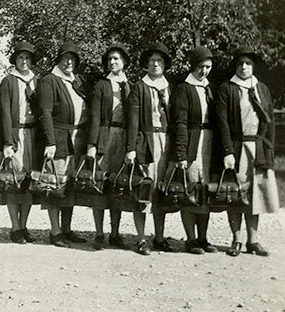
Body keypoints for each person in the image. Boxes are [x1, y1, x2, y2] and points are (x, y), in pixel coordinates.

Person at [216, 46, 279, 257]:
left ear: (253, 66)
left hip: (257, 148)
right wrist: (227, 151)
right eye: (240, 63)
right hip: (237, 147)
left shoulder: (262, 89)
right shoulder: (228, 89)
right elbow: (222, 123)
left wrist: (269, 148)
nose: (244, 67)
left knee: (256, 195)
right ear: (235, 65)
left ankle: (253, 240)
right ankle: (236, 239)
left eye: (248, 63)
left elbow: (269, 122)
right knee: (236, 194)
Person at [36, 42, 89, 248]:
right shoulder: (50, 81)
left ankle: (67, 229)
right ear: (58, 59)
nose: (69, 62)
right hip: (58, 138)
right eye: (65, 58)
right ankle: (55, 230)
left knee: (70, 186)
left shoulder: (77, 81)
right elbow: (45, 113)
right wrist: (50, 141)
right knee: (55, 184)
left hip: (77, 138)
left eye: (73, 58)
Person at [125, 42, 175, 255]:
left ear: (165, 65)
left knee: (161, 189)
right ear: (146, 64)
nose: (156, 64)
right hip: (146, 140)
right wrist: (131, 148)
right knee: (144, 189)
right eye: (152, 61)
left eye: (160, 61)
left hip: (165, 140)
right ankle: (141, 238)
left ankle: (160, 237)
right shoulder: (139, 87)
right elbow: (133, 121)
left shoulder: (168, 87)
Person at [171, 47, 221, 254]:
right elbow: (180, 123)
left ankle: (203, 237)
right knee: (191, 189)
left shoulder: (210, 88)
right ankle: (190, 239)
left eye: (208, 67)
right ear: (193, 66)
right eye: (201, 67)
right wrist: (181, 153)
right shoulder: (185, 89)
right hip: (193, 142)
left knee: (205, 190)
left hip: (209, 143)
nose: (204, 71)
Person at [0, 42, 39, 244]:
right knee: (13, 179)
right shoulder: (9, 81)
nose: (24, 61)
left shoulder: (38, 80)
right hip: (16, 133)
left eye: (27, 58)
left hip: (34, 135)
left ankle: (24, 224)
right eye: (20, 58)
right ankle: (14, 227)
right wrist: (8, 142)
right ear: (15, 60)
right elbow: (4, 114)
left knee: (29, 180)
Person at [85, 43, 130, 250]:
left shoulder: (130, 85)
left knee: (118, 185)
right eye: (110, 59)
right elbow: (94, 117)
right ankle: (100, 233)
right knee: (100, 185)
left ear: (124, 62)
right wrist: (92, 144)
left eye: (117, 59)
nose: (113, 62)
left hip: (123, 138)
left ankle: (115, 232)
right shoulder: (101, 85)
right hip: (105, 137)